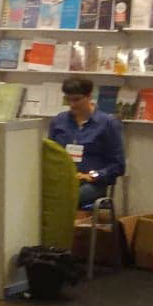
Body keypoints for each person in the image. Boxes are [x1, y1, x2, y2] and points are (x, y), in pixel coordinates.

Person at [48, 76, 126, 209]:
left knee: (65, 197)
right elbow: (50, 156)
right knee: (37, 195)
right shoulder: (59, 122)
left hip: (92, 184)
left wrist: (92, 176)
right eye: (68, 100)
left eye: (77, 100)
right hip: (62, 180)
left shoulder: (107, 124)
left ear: (89, 96)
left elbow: (118, 165)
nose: (72, 104)